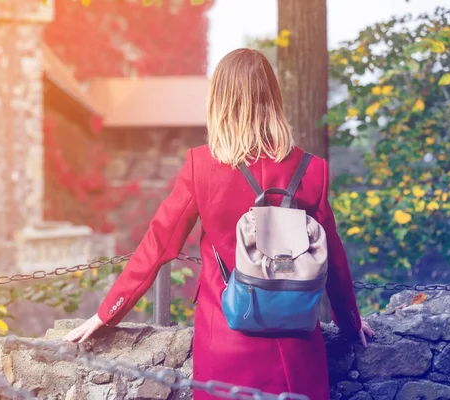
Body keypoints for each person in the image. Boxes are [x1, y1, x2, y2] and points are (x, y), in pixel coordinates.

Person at [64, 48, 374, 400]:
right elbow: (332, 259)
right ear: (273, 98)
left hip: (226, 348)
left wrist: (108, 312)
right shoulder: (310, 169)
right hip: (298, 350)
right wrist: (350, 323)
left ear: (220, 101)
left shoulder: (202, 167)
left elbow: (159, 244)